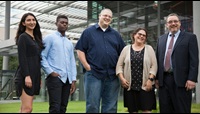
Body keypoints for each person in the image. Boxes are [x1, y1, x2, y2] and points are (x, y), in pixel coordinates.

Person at [75, 8, 126, 113]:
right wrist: (87, 66)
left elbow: (123, 53)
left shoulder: (115, 35)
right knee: (93, 106)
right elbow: (80, 50)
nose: (107, 18)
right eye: (105, 15)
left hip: (112, 75)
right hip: (94, 74)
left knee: (111, 108)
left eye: (109, 17)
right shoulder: (88, 32)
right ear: (99, 16)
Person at [155, 13, 199, 113]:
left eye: (175, 21)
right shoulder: (161, 39)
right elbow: (158, 59)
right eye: (170, 22)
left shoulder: (190, 37)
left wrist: (192, 79)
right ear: (166, 25)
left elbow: (194, 60)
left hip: (182, 82)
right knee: (165, 109)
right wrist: (157, 78)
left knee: (182, 109)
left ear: (179, 23)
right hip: (164, 81)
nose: (173, 23)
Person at [41, 15, 77, 113]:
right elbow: (42, 56)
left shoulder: (69, 42)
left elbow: (72, 62)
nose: (64, 24)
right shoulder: (49, 38)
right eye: (62, 22)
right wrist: (50, 72)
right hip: (54, 78)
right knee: (55, 107)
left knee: (63, 107)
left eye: (66, 23)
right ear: (56, 23)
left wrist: (73, 80)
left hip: (67, 79)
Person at [116, 28, 158, 113]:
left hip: (146, 85)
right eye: (139, 34)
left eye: (144, 35)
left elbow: (154, 65)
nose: (141, 36)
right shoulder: (126, 49)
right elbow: (119, 65)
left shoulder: (149, 49)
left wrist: (150, 80)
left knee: (146, 111)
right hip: (130, 86)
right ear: (134, 35)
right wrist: (122, 79)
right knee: (132, 111)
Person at [14, 12, 44, 113]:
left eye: (33, 20)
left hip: (34, 76)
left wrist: (38, 77)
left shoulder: (36, 39)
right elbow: (22, 58)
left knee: (24, 109)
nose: (32, 22)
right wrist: (27, 75)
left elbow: (37, 60)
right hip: (25, 76)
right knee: (27, 109)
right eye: (28, 20)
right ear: (23, 23)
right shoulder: (23, 37)